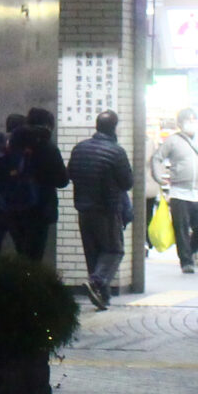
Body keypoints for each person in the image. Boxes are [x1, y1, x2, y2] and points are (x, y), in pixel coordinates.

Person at [66, 112, 135, 309]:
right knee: (114, 250)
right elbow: (127, 182)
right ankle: (97, 282)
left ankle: (102, 297)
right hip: (107, 209)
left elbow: (70, 173)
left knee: (93, 253)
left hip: (83, 209)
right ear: (114, 127)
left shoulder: (79, 149)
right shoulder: (116, 152)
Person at [147, 107, 198, 275]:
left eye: (193, 119)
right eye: (187, 120)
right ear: (180, 123)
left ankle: (188, 251)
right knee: (181, 228)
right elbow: (157, 157)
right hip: (178, 192)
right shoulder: (172, 141)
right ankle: (186, 261)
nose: (191, 123)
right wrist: (159, 177)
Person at [8, 107, 69, 266]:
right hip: (40, 208)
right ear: (48, 125)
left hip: (13, 206)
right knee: (34, 256)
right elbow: (62, 180)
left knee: (21, 252)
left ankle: (19, 287)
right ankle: (31, 287)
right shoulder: (48, 147)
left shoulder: (12, 143)